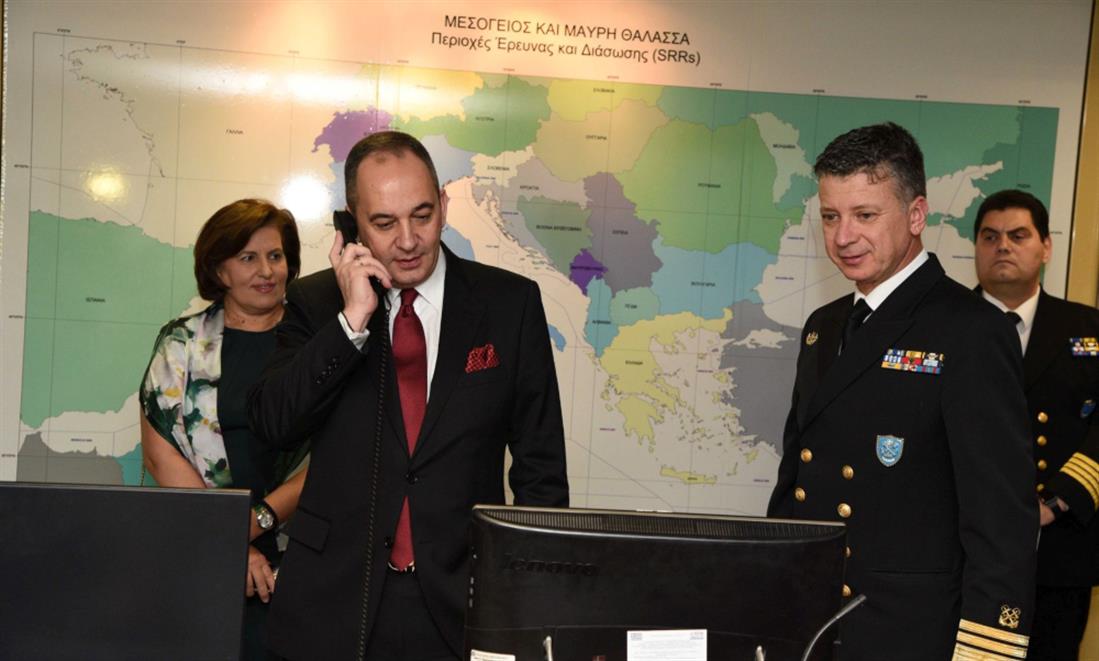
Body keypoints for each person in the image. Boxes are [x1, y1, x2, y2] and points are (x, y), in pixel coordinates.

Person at [248, 130, 569, 661]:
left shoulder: (509, 305)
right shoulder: (316, 302)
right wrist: (352, 321)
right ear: (351, 224)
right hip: (333, 602)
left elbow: (541, 471)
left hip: (464, 601)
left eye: (422, 215)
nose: (408, 239)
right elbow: (273, 423)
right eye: (383, 223)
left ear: (443, 204)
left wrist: (528, 599)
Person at [767, 122, 1037, 661]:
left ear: (916, 216)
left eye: (865, 215)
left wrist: (987, 652)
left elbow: (1001, 523)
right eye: (830, 216)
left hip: (908, 636)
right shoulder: (825, 326)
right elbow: (795, 482)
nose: (843, 237)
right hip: (814, 626)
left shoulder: (971, 331)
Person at [139, 198, 308, 661]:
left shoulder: (315, 345)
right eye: (248, 257)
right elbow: (161, 455)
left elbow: (338, 451)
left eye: (275, 256)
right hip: (202, 553)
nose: (266, 271)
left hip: (303, 556)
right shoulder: (181, 344)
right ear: (220, 270)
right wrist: (230, 541)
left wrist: (257, 522)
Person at [973, 189, 1099, 661]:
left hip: (1060, 549)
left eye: (1018, 235)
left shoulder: (1088, 328)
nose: (1002, 246)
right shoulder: (938, 326)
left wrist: (1058, 498)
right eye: (990, 237)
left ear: (1046, 247)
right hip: (959, 552)